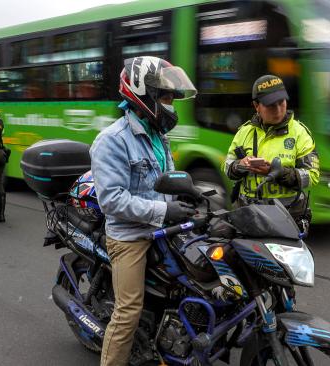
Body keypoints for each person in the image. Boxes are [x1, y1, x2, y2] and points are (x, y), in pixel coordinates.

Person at [90, 56, 198, 366]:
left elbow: (169, 180)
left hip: (163, 228)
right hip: (130, 236)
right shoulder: (111, 141)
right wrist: (165, 210)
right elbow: (111, 200)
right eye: (165, 97)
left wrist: (194, 196)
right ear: (142, 95)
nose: (170, 105)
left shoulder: (158, 137)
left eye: (172, 99)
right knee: (128, 312)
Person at [223, 74, 320, 233]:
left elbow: (312, 175)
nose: (278, 109)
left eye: (281, 102)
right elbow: (227, 167)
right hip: (249, 216)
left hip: (287, 218)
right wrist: (240, 165)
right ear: (256, 106)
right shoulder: (244, 132)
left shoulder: (300, 133)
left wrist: (278, 172)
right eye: (270, 105)